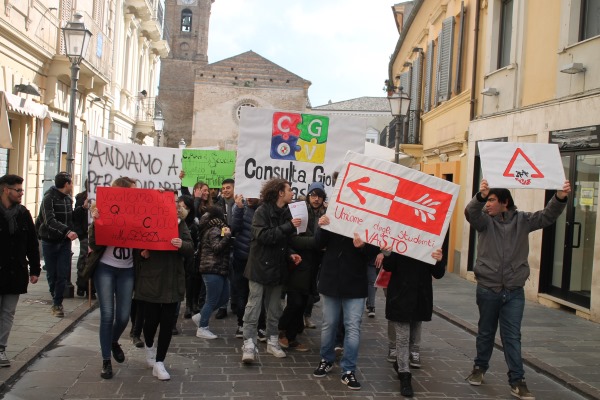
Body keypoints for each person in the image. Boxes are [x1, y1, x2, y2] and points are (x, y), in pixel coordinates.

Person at [464, 179, 571, 400]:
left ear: (505, 202)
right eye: (487, 200)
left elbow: (547, 216)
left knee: (512, 336)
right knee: (485, 332)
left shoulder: (523, 220)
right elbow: (470, 212)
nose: (488, 205)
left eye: (492, 200)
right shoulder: (484, 222)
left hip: (513, 290)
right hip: (488, 288)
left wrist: (560, 197)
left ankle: (518, 381)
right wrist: (480, 195)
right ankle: (479, 368)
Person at [312, 215, 379, 390]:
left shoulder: (368, 218)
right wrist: (322, 227)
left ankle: (348, 369)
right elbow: (317, 244)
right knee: (329, 323)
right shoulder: (333, 213)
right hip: (331, 278)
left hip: (355, 282)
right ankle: (326, 359)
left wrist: (363, 246)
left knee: (353, 326)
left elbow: (373, 251)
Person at [134, 190, 194, 381]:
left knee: (168, 323)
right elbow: (135, 243)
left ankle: (160, 362)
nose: (175, 204)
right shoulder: (148, 220)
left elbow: (190, 247)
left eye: (176, 201)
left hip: (172, 280)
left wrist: (181, 244)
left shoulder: (180, 223)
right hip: (153, 279)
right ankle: (150, 347)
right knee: (151, 321)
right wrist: (142, 252)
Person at [241, 178, 301, 363]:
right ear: (280, 193)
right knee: (254, 306)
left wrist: (290, 254)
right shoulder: (262, 211)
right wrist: (289, 226)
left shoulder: (286, 212)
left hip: (278, 268)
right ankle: (249, 343)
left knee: (275, 308)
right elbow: (263, 236)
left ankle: (272, 341)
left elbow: (283, 241)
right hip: (259, 267)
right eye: (289, 190)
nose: (292, 193)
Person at [85, 177, 137, 379]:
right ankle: (106, 360)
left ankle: (113, 340)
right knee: (107, 314)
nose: (137, 193)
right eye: (133, 190)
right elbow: (94, 244)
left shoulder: (137, 210)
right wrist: (97, 223)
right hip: (106, 268)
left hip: (127, 269)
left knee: (124, 316)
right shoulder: (101, 210)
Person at [381, 248, 446, 397]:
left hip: (420, 296)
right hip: (400, 295)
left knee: (412, 337)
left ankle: (400, 362)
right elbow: (388, 266)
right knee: (403, 337)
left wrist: (439, 259)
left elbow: (438, 273)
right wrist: (387, 253)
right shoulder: (400, 239)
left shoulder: (430, 242)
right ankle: (405, 376)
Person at [279, 182, 327, 351]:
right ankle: (282, 331)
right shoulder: (298, 210)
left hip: (314, 266)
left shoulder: (325, 214)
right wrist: (314, 243)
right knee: (295, 302)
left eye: (319, 196)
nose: (316, 199)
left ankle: (291, 336)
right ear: (308, 196)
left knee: (304, 302)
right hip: (298, 264)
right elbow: (292, 238)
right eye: (313, 195)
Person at [0, 174, 41, 368]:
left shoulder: (23, 214)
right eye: (18, 190)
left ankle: (1, 348)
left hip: (15, 271)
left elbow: (32, 243)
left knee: (8, 312)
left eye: (22, 190)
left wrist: (35, 269)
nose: (21, 193)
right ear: (6, 190)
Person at [37, 171, 77, 318]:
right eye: (71, 183)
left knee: (62, 273)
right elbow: (49, 221)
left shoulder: (68, 199)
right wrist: (67, 231)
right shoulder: (49, 198)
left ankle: (57, 303)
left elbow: (71, 217)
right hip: (50, 241)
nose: (72, 186)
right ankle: (55, 294)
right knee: (52, 274)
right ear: (66, 184)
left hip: (64, 243)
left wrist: (83, 209)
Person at [192, 206, 232, 338]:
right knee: (211, 300)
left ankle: (201, 316)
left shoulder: (213, 227)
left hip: (219, 269)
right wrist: (226, 237)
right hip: (212, 269)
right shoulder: (215, 229)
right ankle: (202, 328)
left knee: (225, 296)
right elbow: (216, 248)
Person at [230, 195, 266, 340]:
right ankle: (241, 324)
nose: (249, 198)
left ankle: (260, 326)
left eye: (253, 195)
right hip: (241, 257)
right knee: (242, 292)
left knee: (258, 294)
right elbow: (234, 228)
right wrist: (238, 210)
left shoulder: (264, 210)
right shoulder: (239, 207)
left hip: (257, 258)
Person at [214, 178, 236, 319]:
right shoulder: (218, 205)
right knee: (224, 277)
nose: (225, 190)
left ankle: (234, 303)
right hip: (223, 244)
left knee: (235, 277)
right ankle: (222, 306)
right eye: (223, 188)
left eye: (228, 187)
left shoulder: (241, 204)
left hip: (237, 244)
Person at [73, 179, 93, 298]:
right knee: (83, 261)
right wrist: (83, 207)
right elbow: (76, 216)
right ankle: (81, 285)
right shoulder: (81, 198)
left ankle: (91, 289)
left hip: (94, 235)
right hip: (85, 234)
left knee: (92, 261)